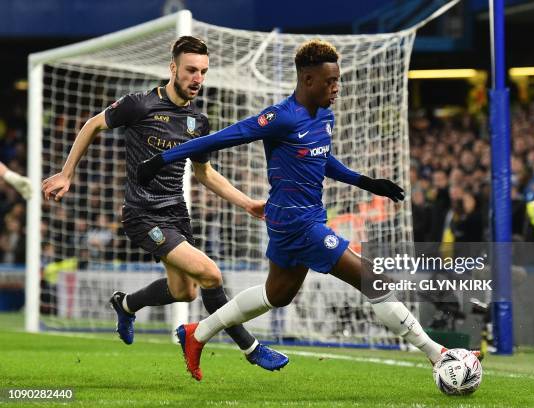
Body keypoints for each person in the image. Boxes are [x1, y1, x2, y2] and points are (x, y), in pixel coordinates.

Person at [138, 39, 479, 381]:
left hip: (306, 217)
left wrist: (366, 181)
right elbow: (225, 137)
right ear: (308, 80)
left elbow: (321, 158)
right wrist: (163, 158)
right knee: (374, 280)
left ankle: (195, 334)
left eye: (337, 80)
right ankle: (438, 355)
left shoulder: (323, 116)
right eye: (330, 81)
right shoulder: (282, 117)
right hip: (296, 223)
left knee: (277, 294)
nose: (336, 87)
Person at [41, 35, 288, 371]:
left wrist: (246, 203)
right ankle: (251, 347)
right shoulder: (139, 104)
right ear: (173, 68)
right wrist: (66, 174)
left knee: (184, 291)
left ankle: (126, 305)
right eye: (190, 70)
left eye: (203, 71)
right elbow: (92, 125)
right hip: (142, 214)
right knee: (210, 275)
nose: (197, 78)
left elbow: (204, 173)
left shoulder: (198, 122)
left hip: (175, 213)